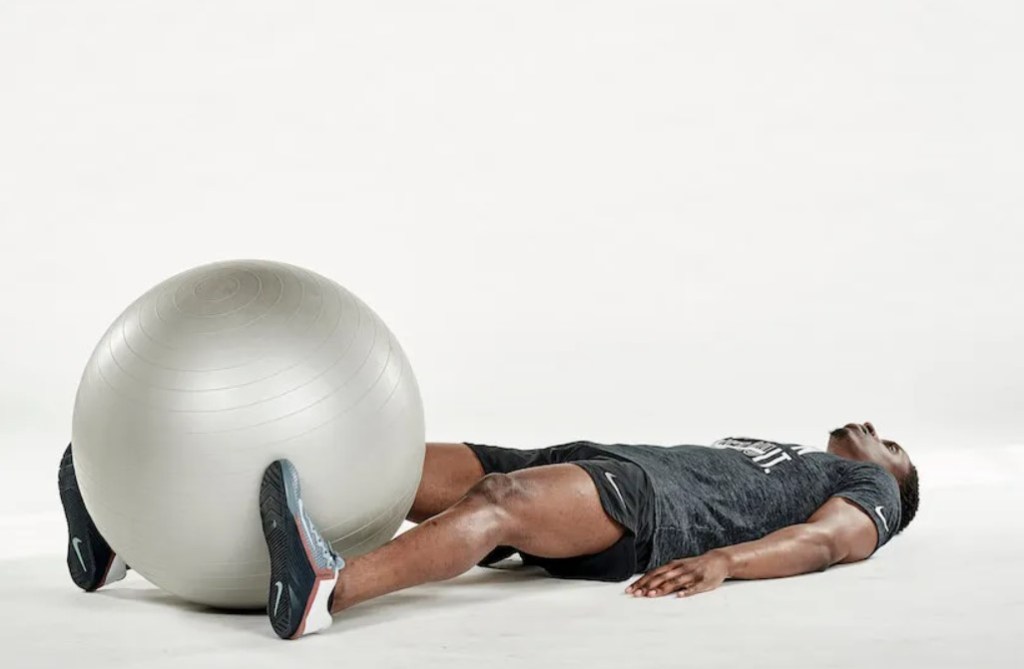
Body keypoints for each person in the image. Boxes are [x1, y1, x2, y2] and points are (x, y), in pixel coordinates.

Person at [58, 421, 920, 641]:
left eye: (896, 441)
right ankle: (134, 530)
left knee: (499, 500)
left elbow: (828, 542)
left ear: (897, 474)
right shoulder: (798, 448)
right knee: (379, 457)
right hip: (598, 457)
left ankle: (328, 589)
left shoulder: (867, 484)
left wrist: (725, 562)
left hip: (647, 510)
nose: (876, 429)